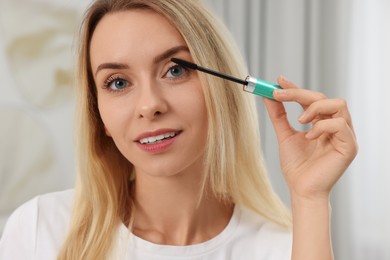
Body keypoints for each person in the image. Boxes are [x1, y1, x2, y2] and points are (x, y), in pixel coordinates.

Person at [0, 0, 358, 259]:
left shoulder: (288, 247)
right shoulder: (39, 230)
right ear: (99, 116)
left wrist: (310, 200)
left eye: (175, 70)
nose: (149, 105)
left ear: (220, 88)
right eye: (118, 82)